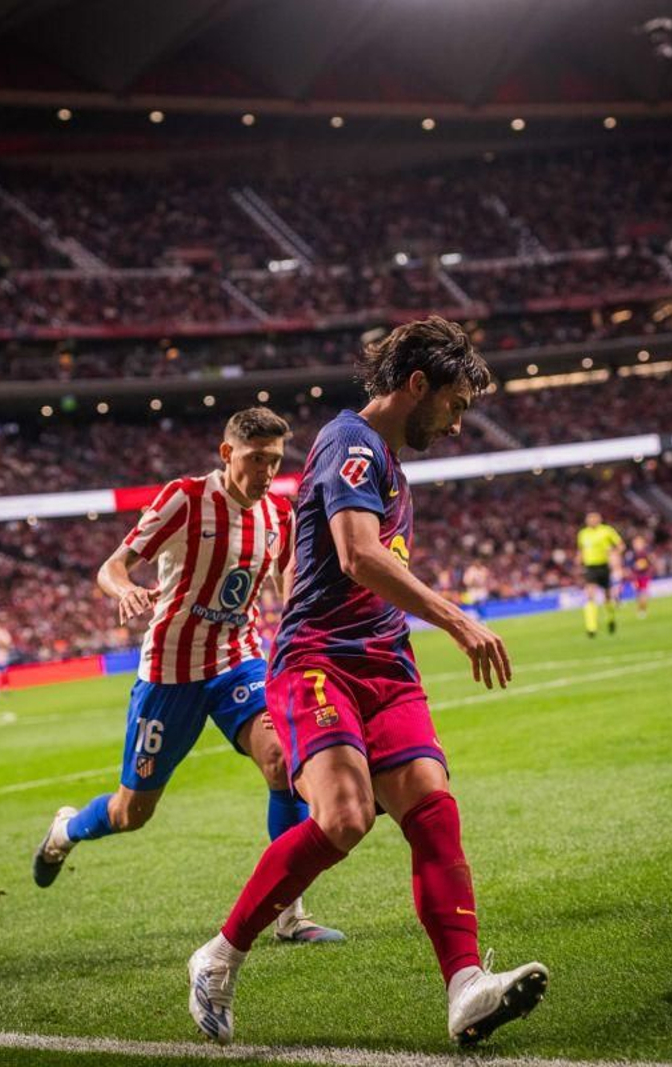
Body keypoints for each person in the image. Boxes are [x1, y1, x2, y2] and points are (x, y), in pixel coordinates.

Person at [185, 317, 546, 1047]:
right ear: (417, 385)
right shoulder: (351, 441)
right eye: (452, 403)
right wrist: (457, 618)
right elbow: (356, 554)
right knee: (345, 817)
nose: (454, 420)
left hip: (386, 662)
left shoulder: (383, 458)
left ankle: (466, 985)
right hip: (318, 657)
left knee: (432, 806)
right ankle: (219, 955)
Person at [32, 407, 343, 944]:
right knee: (133, 812)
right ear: (227, 454)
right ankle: (66, 829)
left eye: (275, 460)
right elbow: (112, 567)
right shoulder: (185, 498)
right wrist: (126, 590)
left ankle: (289, 912)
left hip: (237, 660)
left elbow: (284, 587)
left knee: (280, 761)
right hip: (170, 673)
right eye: (255, 459)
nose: (266, 471)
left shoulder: (279, 514)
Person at [575, 512, 625, 637]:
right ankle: (591, 628)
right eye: (589, 518)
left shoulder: (606, 531)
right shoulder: (583, 534)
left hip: (604, 566)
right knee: (590, 594)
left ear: (599, 519)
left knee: (607, 596)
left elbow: (621, 546)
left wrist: (613, 553)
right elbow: (581, 550)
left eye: (594, 518)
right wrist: (578, 559)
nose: (591, 520)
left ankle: (610, 618)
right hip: (590, 567)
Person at [627, 534, 654, 619]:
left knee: (643, 592)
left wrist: (644, 564)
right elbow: (629, 565)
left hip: (644, 575)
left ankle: (643, 609)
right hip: (636, 576)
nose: (637, 545)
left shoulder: (646, 552)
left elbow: (650, 562)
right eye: (636, 543)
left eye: (639, 543)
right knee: (638, 593)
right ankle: (640, 608)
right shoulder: (632, 554)